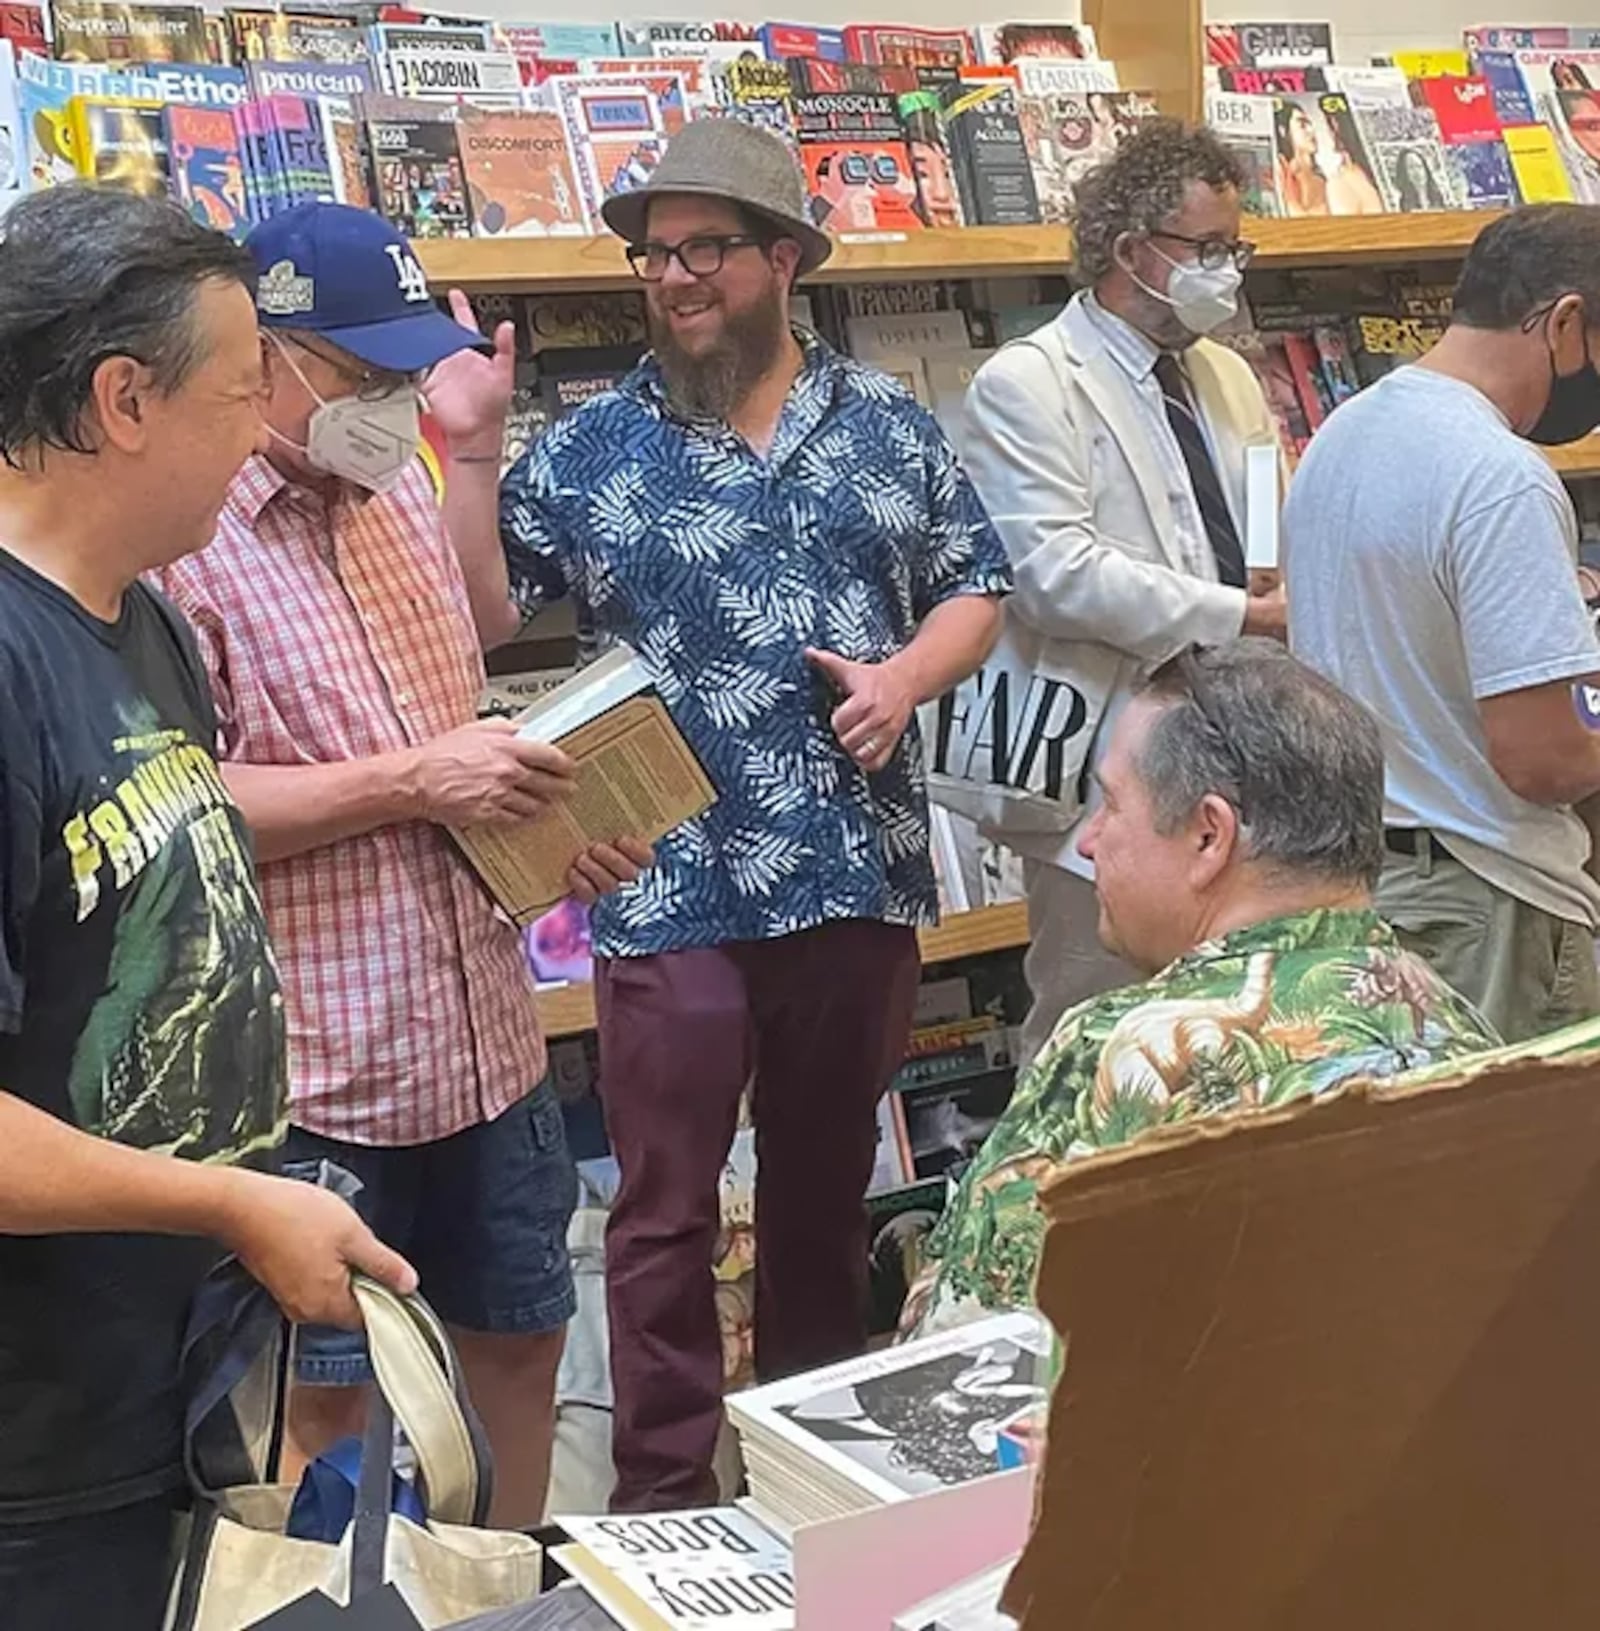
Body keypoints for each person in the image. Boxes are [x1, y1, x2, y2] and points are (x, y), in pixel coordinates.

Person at [498, 118, 1011, 1511]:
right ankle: (663, 1496)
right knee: (661, 1211)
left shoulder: (891, 426)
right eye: (653, 254)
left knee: (820, 1188)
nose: (671, 276)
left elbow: (980, 578)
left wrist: (907, 674)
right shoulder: (591, 446)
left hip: (852, 869)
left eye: (703, 249)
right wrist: (467, 439)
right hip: (667, 878)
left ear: (784, 259)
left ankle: (808, 1474)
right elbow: (484, 609)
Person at [155, 202, 648, 1529]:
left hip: (483, 1035)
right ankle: (347, 1605)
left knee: (520, 1339)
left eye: (399, 378)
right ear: (267, 356)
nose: (386, 405)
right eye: (363, 376)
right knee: (332, 1393)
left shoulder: (400, 501)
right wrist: (412, 780)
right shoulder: (184, 541)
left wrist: (556, 832)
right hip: (322, 1067)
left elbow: (467, 695)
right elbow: (185, 802)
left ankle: (512, 1592)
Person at [0, 187, 413, 1630]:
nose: (257, 437)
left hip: (169, 1382)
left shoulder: (147, 618)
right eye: (241, 395)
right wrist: (230, 1199)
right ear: (122, 399)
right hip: (35, 1439)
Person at [902, 641, 1499, 1338]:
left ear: (1209, 836)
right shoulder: (1458, 1029)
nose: (1090, 840)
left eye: (1111, 804)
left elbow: (953, 1344)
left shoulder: (1126, 1053)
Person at [958, 120, 1286, 1064]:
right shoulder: (1027, 382)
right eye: (1207, 249)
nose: (1226, 271)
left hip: (1238, 742)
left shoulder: (1223, 371)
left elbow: (1264, 494)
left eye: (1237, 248)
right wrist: (1242, 613)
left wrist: (1271, 567)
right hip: (1104, 763)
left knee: (1228, 1021)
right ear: (1129, 250)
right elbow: (1055, 573)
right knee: (1090, 1021)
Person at [1286, 205, 1600, 1043]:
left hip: (1366, 878)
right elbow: (1548, 756)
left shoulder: (1341, 434)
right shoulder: (1502, 477)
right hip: (1490, 898)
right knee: (1529, 1169)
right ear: (1565, 323)